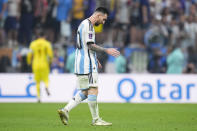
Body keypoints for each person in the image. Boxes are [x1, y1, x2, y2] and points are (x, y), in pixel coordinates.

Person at [57, 7, 120, 126]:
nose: (103, 22)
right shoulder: (89, 26)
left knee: (86, 91)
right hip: (87, 63)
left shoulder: (83, 24)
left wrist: (95, 58)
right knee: (94, 89)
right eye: (104, 19)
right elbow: (90, 45)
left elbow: (85, 45)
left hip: (81, 62)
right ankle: (96, 120)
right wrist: (106, 50)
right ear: (99, 15)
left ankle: (65, 110)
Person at [27, 30, 53, 102]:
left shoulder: (33, 44)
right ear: (44, 37)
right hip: (44, 64)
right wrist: (50, 62)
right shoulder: (47, 44)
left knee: (37, 82)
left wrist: (29, 62)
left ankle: (38, 97)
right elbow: (50, 55)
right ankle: (46, 86)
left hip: (35, 64)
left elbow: (29, 54)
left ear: (38, 36)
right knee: (46, 79)